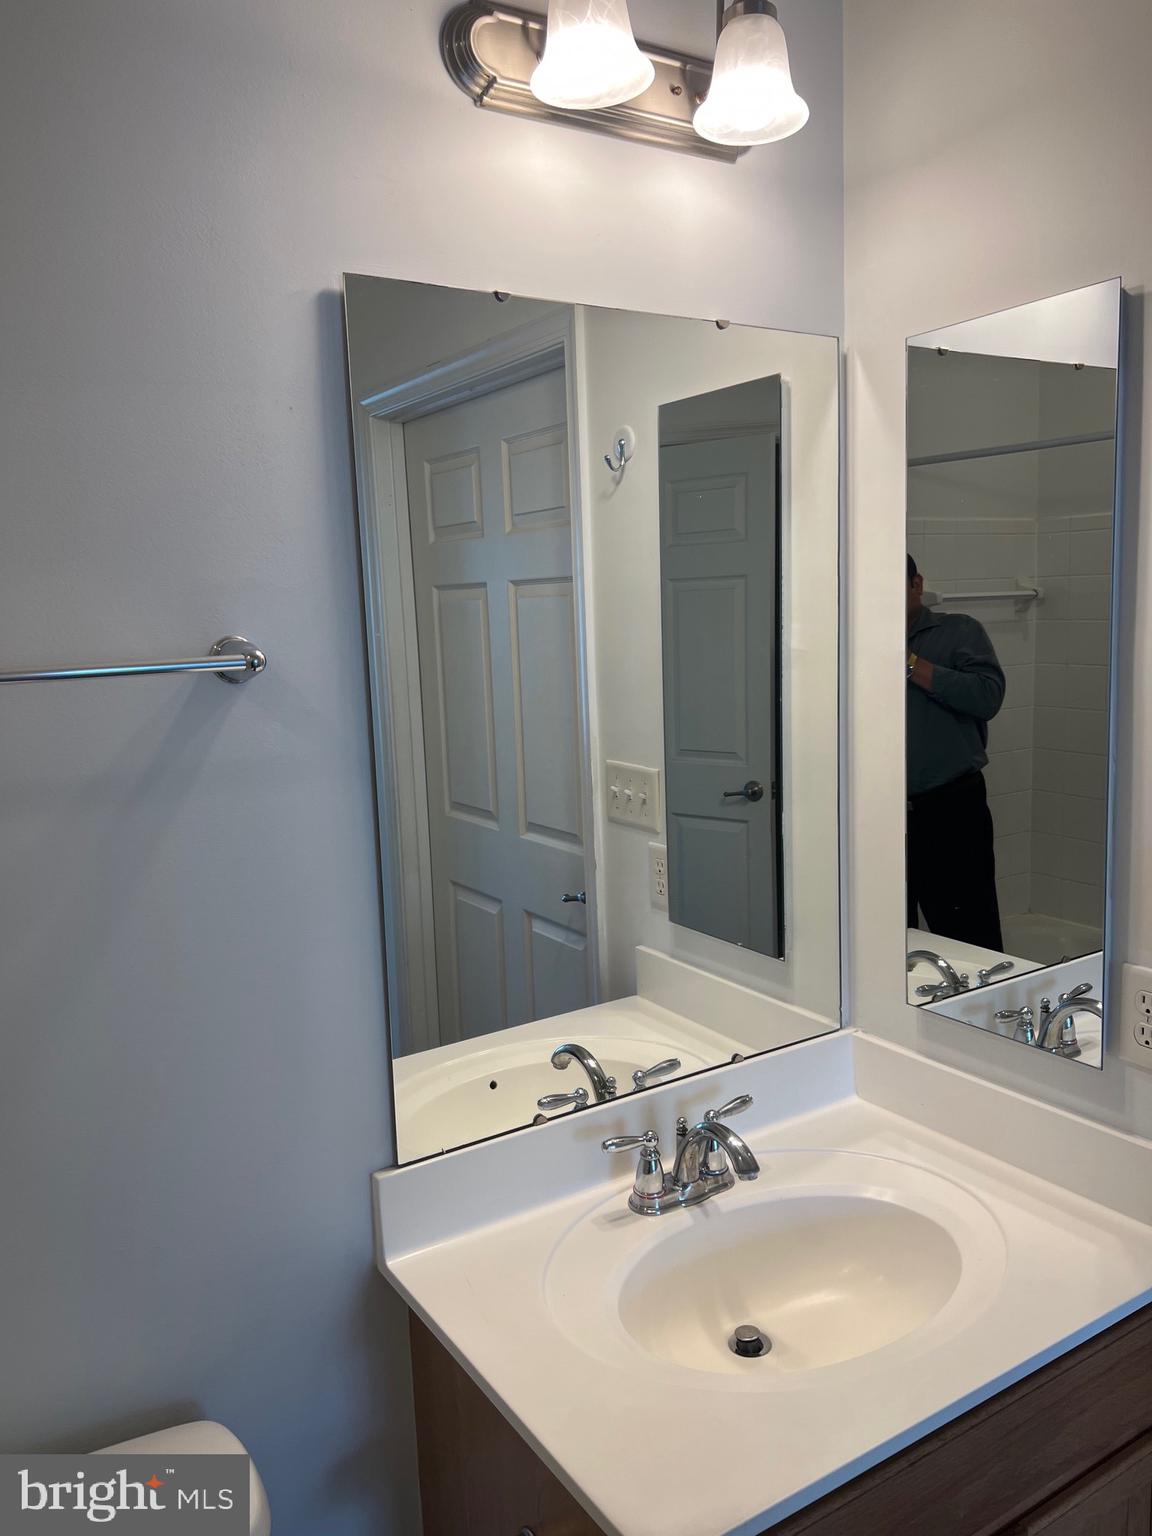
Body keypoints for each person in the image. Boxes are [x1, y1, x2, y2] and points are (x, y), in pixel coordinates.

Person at [906, 554, 1006, 951]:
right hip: (876, 815)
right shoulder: (850, 641)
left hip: (950, 809)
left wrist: (908, 662)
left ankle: (980, 1012)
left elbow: (988, 698)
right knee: (883, 936)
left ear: (917, 584)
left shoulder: (960, 631)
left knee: (970, 935)